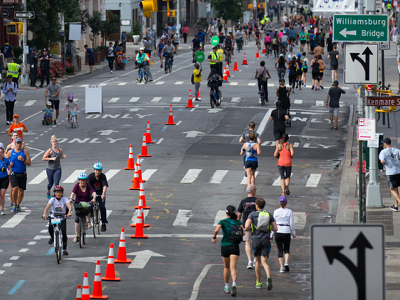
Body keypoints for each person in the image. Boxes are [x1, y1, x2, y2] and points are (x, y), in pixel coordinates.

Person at [212, 205, 244, 296]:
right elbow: (244, 232)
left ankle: (227, 286)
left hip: (225, 246)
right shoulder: (238, 222)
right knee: (233, 268)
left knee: (226, 267)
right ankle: (234, 283)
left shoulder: (222, 221)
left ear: (226, 213)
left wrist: (214, 237)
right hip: (234, 246)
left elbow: (216, 230)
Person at [245, 198, 277, 290]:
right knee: (265, 262)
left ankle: (258, 282)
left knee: (257, 261)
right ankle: (268, 277)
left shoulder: (252, 214)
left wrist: (252, 228)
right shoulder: (269, 215)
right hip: (266, 239)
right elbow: (275, 228)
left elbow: (247, 226)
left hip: (256, 239)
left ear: (256, 205)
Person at [42, 185, 72, 256]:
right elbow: (47, 207)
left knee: (64, 232)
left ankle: (64, 249)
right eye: (57, 192)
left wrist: (69, 212)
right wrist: (44, 214)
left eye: (60, 192)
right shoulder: (52, 199)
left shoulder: (64, 199)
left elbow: (69, 206)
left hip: (62, 217)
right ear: (55, 193)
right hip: (54, 217)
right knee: (50, 227)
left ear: (62, 193)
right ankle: (52, 237)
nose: (58, 194)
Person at [69, 172, 97, 243]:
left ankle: (88, 221)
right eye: (81, 180)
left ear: (86, 180)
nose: (82, 181)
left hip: (87, 203)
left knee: (88, 209)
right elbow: (73, 193)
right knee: (77, 219)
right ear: (78, 180)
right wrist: (71, 199)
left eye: (84, 180)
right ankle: (77, 236)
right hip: (78, 204)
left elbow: (93, 193)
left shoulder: (88, 186)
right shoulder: (76, 186)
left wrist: (94, 198)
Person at [270, 196, 296, 272]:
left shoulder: (276, 211)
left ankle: (281, 267)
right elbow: (291, 223)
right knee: (287, 248)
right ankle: (286, 262)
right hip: (286, 231)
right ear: (286, 203)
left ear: (279, 203)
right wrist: (293, 233)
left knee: (279, 249)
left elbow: (273, 223)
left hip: (278, 231)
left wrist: (271, 234)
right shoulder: (289, 211)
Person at [6, 137, 31, 213]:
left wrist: (23, 160)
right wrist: (9, 164)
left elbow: (29, 163)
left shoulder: (25, 151)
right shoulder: (11, 152)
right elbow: (5, 161)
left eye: (20, 143)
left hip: (22, 173)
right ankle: (13, 203)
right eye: (17, 143)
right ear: (15, 144)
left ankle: (17, 204)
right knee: (15, 188)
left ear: (21, 144)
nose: (19, 145)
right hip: (14, 173)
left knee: (21, 191)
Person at [237, 184, 257, 269]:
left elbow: (239, 214)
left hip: (246, 224)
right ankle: (256, 259)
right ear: (253, 191)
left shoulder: (243, 201)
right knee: (256, 242)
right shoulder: (257, 201)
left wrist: (238, 223)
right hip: (256, 225)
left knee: (247, 242)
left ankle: (249, 261)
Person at [379, 138, 400, 211]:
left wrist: (385, 163)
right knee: (396, 189)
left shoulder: (383, 152)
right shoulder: (396, 150)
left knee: (391, 189)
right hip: (397, 171)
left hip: (390, 172)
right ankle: (396, 206)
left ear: (385, 143)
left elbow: (382, 161)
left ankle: (399, 202)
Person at [88, 163, 109, 232]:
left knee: (102, 207)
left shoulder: (103, 176)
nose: (98, 172)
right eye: (96, 170)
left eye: (99, 170)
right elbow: (88, 186)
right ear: (94, 170)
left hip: (100, 193)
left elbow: (104, 186)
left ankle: (103, 223)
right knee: (89, 204)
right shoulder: (90, 176)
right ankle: (89, 216)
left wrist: (103, 194)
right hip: (92, 192)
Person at [0, 144, 11, 215]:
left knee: (2, 194)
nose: (0, 153)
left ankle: (2, 209)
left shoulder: (6, 160)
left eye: (1, 152)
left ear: (3, 152)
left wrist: (9, 171)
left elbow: (10, 169)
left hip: (4, 178)